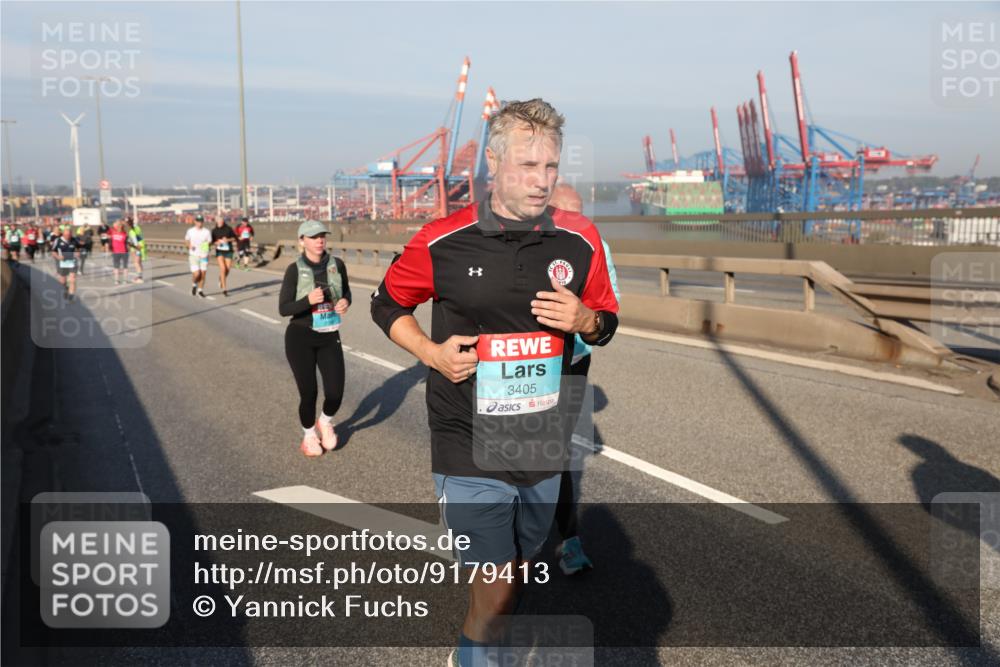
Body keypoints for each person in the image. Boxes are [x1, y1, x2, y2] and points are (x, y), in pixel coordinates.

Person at [370, 98, 619, 667]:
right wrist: (431, 352)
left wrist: (586, 321)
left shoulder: (579, 242)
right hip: (466, 434)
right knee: (501, 580)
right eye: (528, 167)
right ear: (493, 163)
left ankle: (481, 640)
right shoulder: (443, 240)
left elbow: (606, 323)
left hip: (538, 439)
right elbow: (388, 304)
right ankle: (474, 656)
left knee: (518, 567)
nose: (541, 182)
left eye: (551, 167)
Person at [547, 182, 621, 576]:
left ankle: (569, 540)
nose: (579, 222)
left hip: (573, 362)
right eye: (568, 213)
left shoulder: (595, 246)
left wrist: (586, 319)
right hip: (522, 366)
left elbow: (609, 313)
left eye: (581, 213)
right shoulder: (527, 242)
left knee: (556, 453)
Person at [278, 220, 351, 457]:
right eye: (312, 237)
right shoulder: (294, 270)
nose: (319, 240)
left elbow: (346, 291)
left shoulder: (337, 264)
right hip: (300, 336)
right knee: (309, 392)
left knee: (335, 392)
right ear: (302, 241)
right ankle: (309, 435)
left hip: (329, 335)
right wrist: (307, 301)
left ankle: (325, 421)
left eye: (322, 236)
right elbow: (284, 308)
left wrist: (344, 302)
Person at [185, 215, 212, 297]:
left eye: (201, 221)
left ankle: (200, 290)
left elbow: (209, 242)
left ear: (203, 222)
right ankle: (194, 284)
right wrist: (189, 246)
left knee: (203, 274)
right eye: (198, 221)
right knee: (197, 274)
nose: (199, 223)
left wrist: (206, 246)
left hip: (204, 255)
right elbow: (186, 241)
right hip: (194, 255)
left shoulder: (206, 232)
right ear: (195, 222)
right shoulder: (190, 231)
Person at [211, 216, 238, 296]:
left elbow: (234, 238)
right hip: (219, 251)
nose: (219, 223)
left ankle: (221, 279)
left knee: (227, 269)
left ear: (223, 222)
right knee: (222, 268)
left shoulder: (228, 229)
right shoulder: (214, 230)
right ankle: (224, 289)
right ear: (216, 222)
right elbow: (212, 241)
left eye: (221, 222)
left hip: (228, 251)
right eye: (218, 222)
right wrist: (217, 242)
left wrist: (228, 240)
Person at [52, 226, 81, 301]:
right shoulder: (58, 240)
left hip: (72, 261)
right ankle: (65, 290)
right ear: (63, 235)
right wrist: (58, 257)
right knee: (63, 281)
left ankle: (71, 296)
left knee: (72, 279)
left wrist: (78, 253)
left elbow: (78, 249)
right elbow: (53, 252)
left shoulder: (74, 240)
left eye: (69, 235)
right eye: (66, 235)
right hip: (62, 262)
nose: (68, 236)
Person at [108, 219, 130, 284]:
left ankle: (116, 280)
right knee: (125, 266)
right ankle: (125, 280)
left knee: (116, 267)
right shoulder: (125, 234)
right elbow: (127, 243)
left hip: (116, 251)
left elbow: (110, 242)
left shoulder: (113, 233)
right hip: (124, 251)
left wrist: (110, 250)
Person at [126, 217, 146, 283]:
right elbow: (140, 237)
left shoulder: (132, 231)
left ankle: (139, 278)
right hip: (141, 245)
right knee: (139, 263)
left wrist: (129, 244)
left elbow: (135, 242)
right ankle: (140, 276)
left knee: (136, 263)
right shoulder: (137, 227)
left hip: (137, 248)